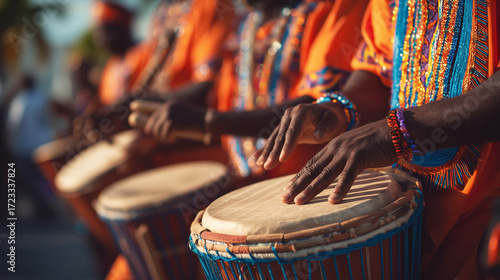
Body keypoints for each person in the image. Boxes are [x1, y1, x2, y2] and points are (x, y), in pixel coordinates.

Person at [255, 0, 500, 278]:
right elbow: (378, 69)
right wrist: (338, 108)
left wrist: (397, 132)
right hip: (417, 201)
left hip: (488, 214)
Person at [142, 0, 370, 181]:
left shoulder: (329, 8)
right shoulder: (244, 27)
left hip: (321, 181)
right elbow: (232, 111)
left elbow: (319, 106)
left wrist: (208, 121)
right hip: (254, 179)